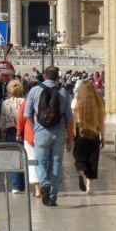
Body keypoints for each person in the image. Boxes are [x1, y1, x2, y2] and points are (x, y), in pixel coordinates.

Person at [22, 66, 74, 207]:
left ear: (44, 76)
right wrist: (71, 138)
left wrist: (35, 130)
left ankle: (44, 182)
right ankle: (52, 197)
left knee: (40, 162)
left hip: (41, 132)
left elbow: (26, 115)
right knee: (56, 165)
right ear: (58, 77)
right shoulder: (64, 93)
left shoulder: (34, 90)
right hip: (59, 133)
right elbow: (69, 119)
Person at [72, 80, 105, 194]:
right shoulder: (98, 102)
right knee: (92, 158)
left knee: (80, 156)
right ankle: (89, 187)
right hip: (94, 131)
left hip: (79, 130)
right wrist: (103, 137)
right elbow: (101, 122)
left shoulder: (76, 101)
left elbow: (72, 120)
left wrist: (71, 134)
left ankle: (81, 173)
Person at [0, 80, 26, 193]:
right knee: (23, 156)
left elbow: (2, 119)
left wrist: (2, 131)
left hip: (10, 131)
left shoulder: (5, 103)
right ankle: (21, 183)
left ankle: (16, 185)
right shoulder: (24, 101)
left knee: (14, 157)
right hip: (23, 130)